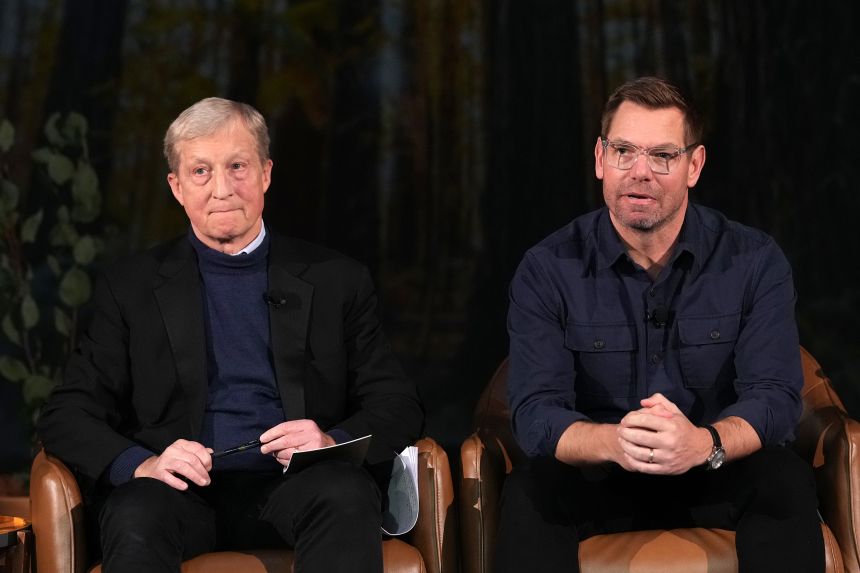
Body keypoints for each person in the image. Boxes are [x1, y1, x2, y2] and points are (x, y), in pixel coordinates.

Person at [37, 97, 424, 573]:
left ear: (265, 174)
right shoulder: (130, 287)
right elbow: (66, 414)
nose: (222, 188)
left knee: (344, 492)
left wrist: (330, 440)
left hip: (299, 488)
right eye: (201, 171)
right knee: (135, 508)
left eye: (237, 166)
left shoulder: (336, 280)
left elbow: (398, 404)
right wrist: (141, 465)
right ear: (176, 187)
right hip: (179, 494)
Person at [496, 77, 823, 572]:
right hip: (601, 477)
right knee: (530, 490)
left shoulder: (754, 260)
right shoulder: (547, 268)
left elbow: (775, 396)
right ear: (600, 159)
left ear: (694, 165)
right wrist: (616, 443)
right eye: (624, 151)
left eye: (663, 156)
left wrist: (703, 444)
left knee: (783, 479)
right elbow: (536, 412)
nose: (640, 172)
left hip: (714, 467)